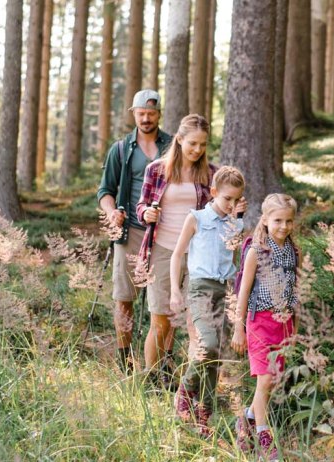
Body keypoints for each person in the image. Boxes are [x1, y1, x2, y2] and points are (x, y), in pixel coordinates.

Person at [136, 114, 245, 384]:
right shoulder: (157, 170)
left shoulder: (211, 173)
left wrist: (237, 216)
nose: (197, 150)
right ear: (180, 139)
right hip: (163, 250)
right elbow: (141, 206)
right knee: (161, 320)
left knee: (195, 323)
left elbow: (225, 211)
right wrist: (146, 213)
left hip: (200, 255)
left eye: (203, 145)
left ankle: (192, 386)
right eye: (192, 143)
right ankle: (154, 379)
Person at [96, 89, 172, 372]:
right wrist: (111, 211)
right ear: (134, 114)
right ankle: (124, 358)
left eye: (151, 114)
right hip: (130, 231)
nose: (146, 118)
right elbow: (105, 191)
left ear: (158, 114)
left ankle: (161, 362)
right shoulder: (121, 148)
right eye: (141, 113)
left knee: (163, 301)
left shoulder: (172, 146)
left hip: (165, 232)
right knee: (124, 297)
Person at [167, 166, 246, 437]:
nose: (231, 205)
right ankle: (185, 391)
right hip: (200, 289)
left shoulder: (235, 223)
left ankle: (204, 415)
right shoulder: (196, 218)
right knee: (207, 344)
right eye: (227, 199)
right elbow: (177, 255)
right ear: (213, 193)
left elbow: (235, 259)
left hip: (224, 291)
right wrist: (176, 291)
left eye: (236, 200)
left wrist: (238, 218)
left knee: (215, 354)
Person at [231, 193, 301, 461]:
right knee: (265, 378)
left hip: (283, 322)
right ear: (265, 220)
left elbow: (294, 288)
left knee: (270, 381)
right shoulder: (256, 251)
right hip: (259, 320)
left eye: (289, 221)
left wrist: (294, 324)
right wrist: (239, 328)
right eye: (278, 220)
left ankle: (246, 419)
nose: (284, 226)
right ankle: (264, 436)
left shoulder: (293, 251)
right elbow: (244, 292)